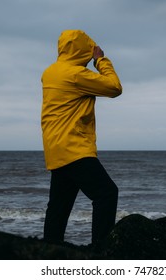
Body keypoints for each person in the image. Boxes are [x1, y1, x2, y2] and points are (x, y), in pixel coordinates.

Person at [40, 30, 122, 243]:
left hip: (55, 149)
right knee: (106, 194)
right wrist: (100, 60)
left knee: (59, 207)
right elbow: (114, 87)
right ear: (82, 49)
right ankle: (101, 252)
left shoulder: (50, 72)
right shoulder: (76, 75)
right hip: (74, 148)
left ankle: (49, 250)